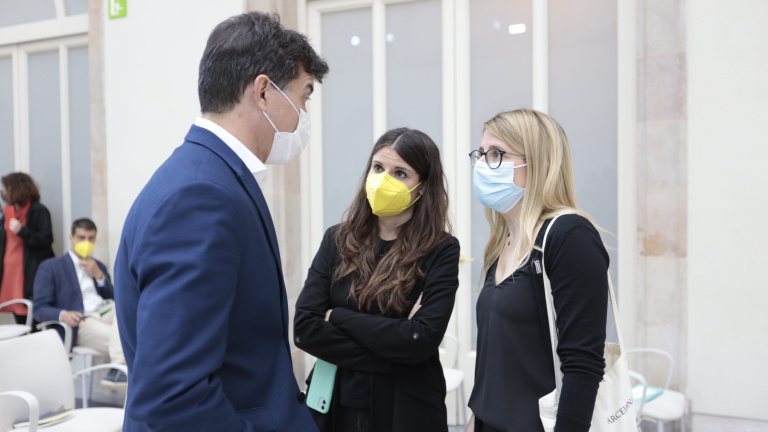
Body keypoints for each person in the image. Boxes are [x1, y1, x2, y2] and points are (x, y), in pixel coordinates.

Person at [114, 11, 328, 432]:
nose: (303, 116)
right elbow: (172, 400)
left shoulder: (206, 175)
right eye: (303, 98)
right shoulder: (201, 196)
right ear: (263, 92)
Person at [294, 128, 461, 432]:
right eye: (378, 167)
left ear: (423, 187)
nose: (384, 179)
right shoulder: (337, 239)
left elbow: (420, 341)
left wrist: (338, 317)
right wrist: (395, 349)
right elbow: (305, 329)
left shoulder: (440, 249)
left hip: (404, 409)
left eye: (400, 173)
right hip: (335, 402)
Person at [465, 109, 609, 432]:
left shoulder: (569, 236)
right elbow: (494, 359)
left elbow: (582, 365)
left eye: (496, 154)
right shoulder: (502, 242)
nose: (483, 165)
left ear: (541, 165)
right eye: (481, 154)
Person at [33, 218, 126, 386]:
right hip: (81, 321)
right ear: (71, 238)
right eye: (81, 238)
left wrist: (99, 276)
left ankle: (118, 371)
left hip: (104, 312)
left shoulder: (97, 265)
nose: (86, 242)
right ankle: (119, 369)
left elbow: (114, 297)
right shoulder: (51, 267)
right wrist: (63, 314)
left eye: (91, 238)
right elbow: (39, 309)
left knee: (125, 306)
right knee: (128, 337)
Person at [0, 172, 55, 324]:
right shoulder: (8, 212)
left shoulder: (38, 210)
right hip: (9, 274)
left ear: (16, 189)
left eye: (4, 189)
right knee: (17, 313)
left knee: (31, 316)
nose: (2, 193)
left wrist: (23, 231)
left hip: (28, 273)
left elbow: (46, 239)